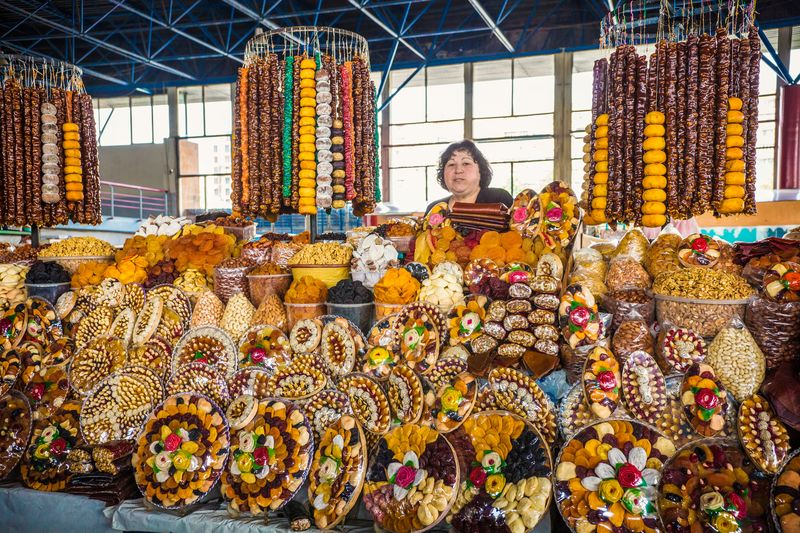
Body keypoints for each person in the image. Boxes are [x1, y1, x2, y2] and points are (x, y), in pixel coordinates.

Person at [424, 140, 513, 214]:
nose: (458, 170)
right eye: (451, 164)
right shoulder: (435, 209)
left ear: (480, 170)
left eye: (466, 163)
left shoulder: (498, 198)